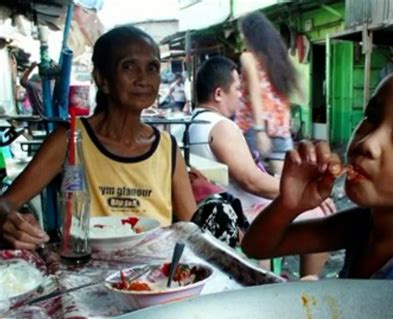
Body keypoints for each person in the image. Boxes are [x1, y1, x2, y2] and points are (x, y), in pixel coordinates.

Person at [242, 55, 393, 284]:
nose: (368, 143)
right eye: (371, 117)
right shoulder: (361, 225)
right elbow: (256, 247)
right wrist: (288, 205)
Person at [0, 25, 196, 250]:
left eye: (152, 68)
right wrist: (10, 221)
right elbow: (6, 203)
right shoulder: (71, 138)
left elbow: (190, 231)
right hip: (86, 273)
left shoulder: (167, 148)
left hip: (154, 278)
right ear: (102, 79)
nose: (144, 79)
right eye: (129, 67)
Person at [188, 56, 335, 276]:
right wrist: (305, 192)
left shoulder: (192, 122)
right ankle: (308, 283)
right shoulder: (220, 126)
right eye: (237, 89)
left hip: (225, 203)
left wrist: (283, 182)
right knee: (322, 217)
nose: (240, 95)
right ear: (219, 94)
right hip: (241, 212)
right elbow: (252, 182)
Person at [235, 11, 298, 176]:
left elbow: (255, 92)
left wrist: (259, 130)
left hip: (253, 128)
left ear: (249, 34)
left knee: (255, 185)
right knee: (282, 186)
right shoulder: (278, 58)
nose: (241, 37)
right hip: (280, 129)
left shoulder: (248, 58)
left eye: (242, 33)